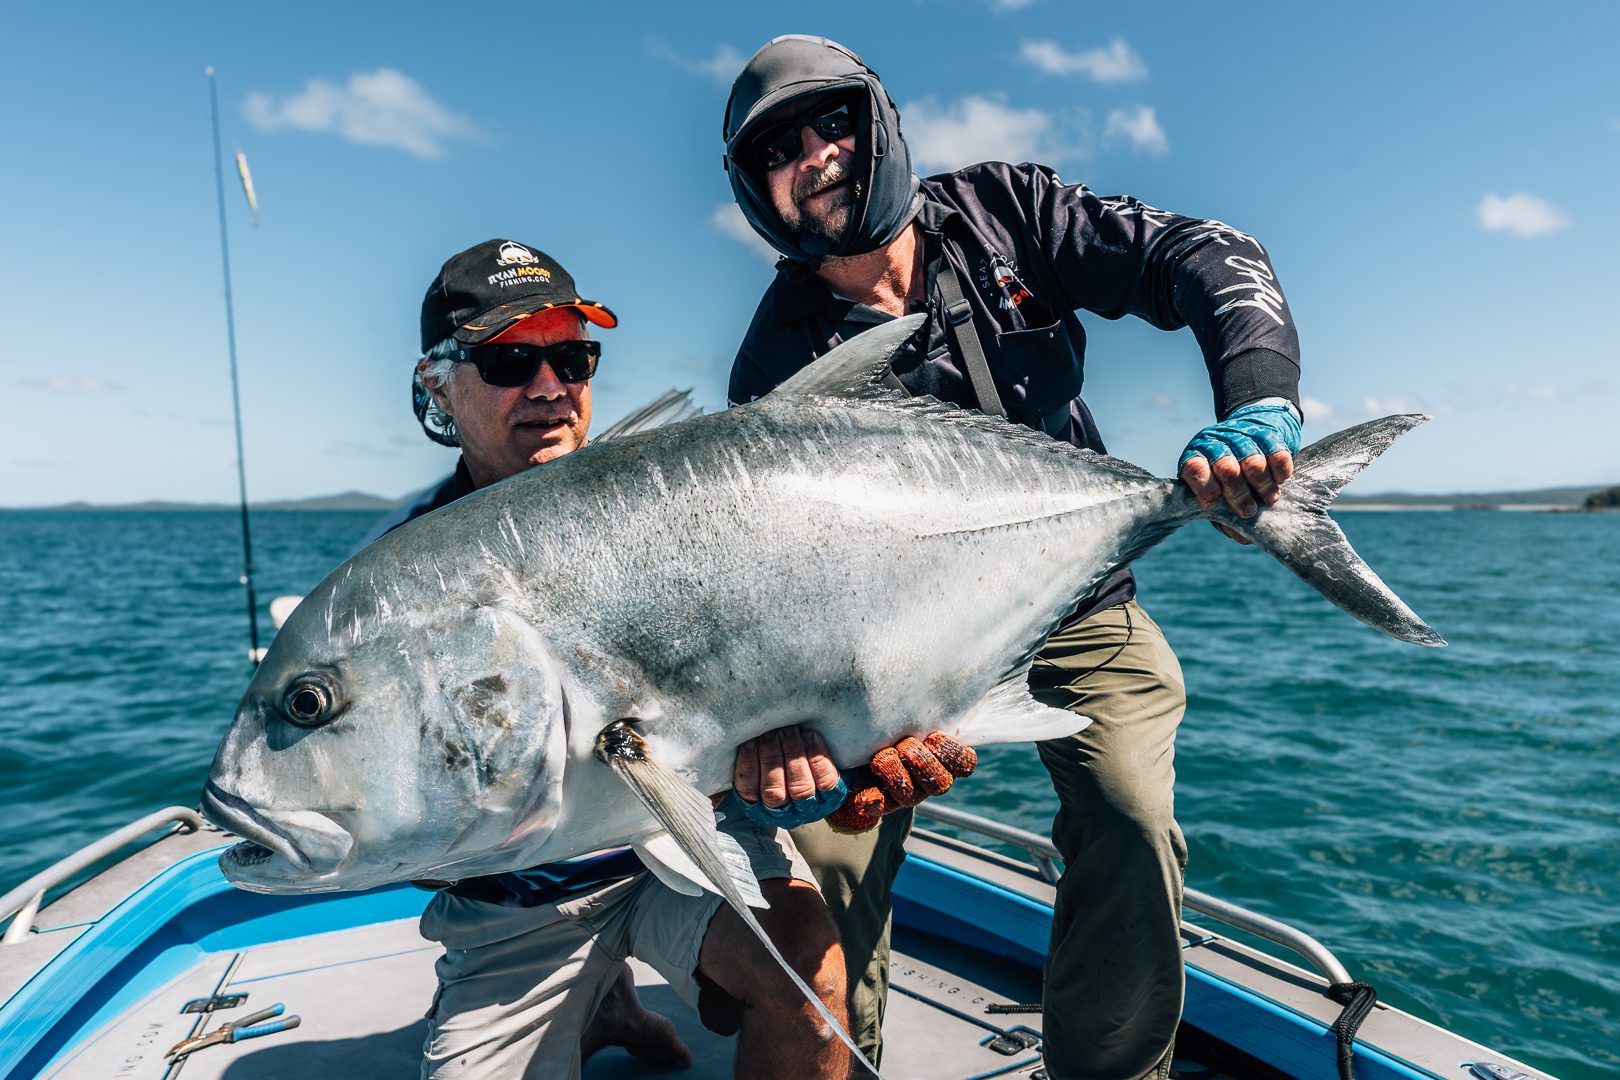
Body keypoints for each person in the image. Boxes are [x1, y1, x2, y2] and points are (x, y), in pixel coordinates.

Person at [719, 36, 1306, 1080]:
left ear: (881, 126)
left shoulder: (1010, 214)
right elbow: (773, 589)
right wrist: (806, 730)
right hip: (877, 659)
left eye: (832, 124)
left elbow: (1207, 252)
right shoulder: (773, 360)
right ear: (756, 191)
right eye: (779, 149)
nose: (813, 155)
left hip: (1078, 601)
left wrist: (1257, 392)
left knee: (1130, 820)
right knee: (818, 865)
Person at [396, 238, 854, 1079]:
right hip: (520, 900)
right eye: (507, 361)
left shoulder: (673, 510)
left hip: (687, 844)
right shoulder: (407, 581)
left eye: (571, 355)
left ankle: (607, 1001)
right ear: (437, 383)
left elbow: (761, 667)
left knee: (812, 986)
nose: (548, 387)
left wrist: (793, 742)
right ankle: (605, 1004)